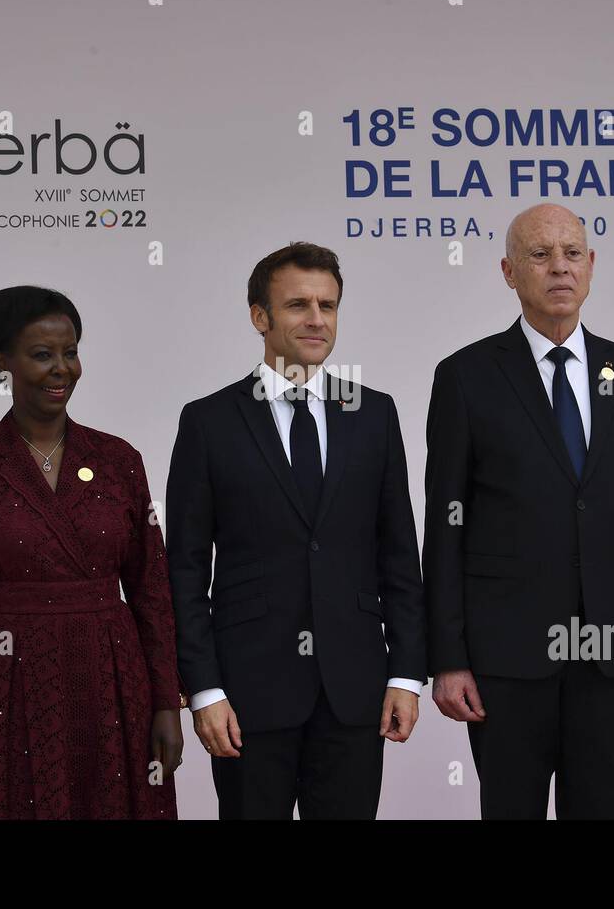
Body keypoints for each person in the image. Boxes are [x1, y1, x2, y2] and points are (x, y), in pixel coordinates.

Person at [424, 204, 614, 819]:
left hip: (610, 647)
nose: (559, 268)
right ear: (509, 272)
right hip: (503, 657)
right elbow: (445, 525)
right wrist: (448, 656)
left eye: (572, 253)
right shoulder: (465, 377)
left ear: (591, 266)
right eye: (539, 255)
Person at [0, 285, 185, 819]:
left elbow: (152, 587)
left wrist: (168, 703)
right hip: (0, 679)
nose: (62, 369)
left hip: (112, 682)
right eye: (42, 354)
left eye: (70, 352)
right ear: (1, 362)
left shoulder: (120, 459)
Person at [165, 242, 426, 819]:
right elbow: (183, 569)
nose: (316, 320)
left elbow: (400, 555)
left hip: (354, 687)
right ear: (260, 317)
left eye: (328, 306)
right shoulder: (208, 422)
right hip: (246, 694)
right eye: (298, 305)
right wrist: (203, 688)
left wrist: (407, 672)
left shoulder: (375, 414)